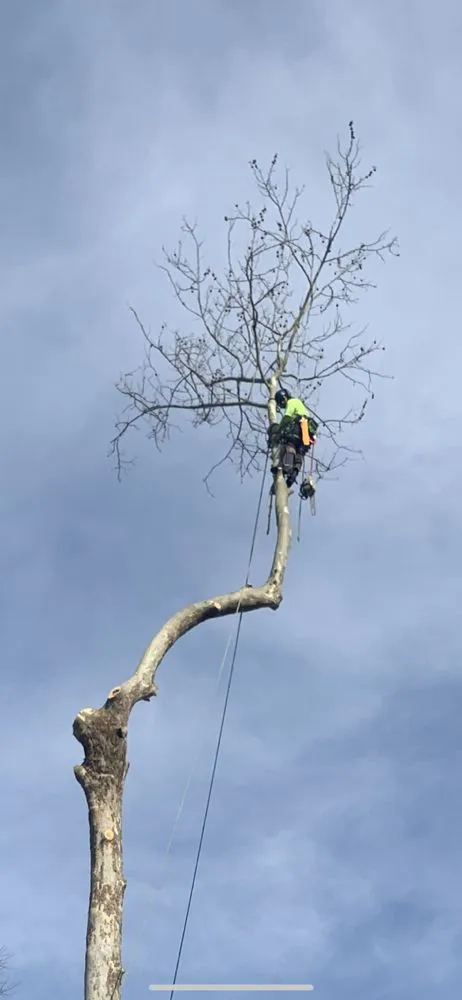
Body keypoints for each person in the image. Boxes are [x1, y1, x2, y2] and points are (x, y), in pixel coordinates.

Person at [268, 388, 318, 488]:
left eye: (281, 401)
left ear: (284, 397)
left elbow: (287, 417)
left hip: (299, 427)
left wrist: (277, 431)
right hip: (307, 434)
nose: (282, 404)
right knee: (299, 452)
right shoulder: (300, 404)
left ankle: (287, 467)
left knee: (290, 445)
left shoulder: (292, 401)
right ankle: (294, 473)